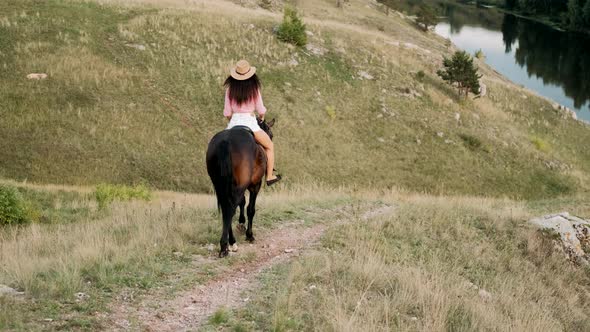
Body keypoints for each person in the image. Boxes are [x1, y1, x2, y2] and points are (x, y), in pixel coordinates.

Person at [224, 60, 281, 186]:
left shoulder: (229, 90)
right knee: (270, 146)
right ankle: (270, 176)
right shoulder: (254, 89)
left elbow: (227, 113)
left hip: (233, 124)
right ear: (250, 74)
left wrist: (233, 120)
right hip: (250, 123)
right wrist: (261, 117)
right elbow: (261, 110)